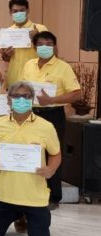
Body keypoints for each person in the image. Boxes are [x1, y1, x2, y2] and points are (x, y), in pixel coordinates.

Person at [0, 81, 61, 236]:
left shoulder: (46, 126)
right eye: (16, 96)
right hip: (4, 194)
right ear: (8, 99)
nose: (21, 100)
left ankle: (25, 214)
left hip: (34, 195)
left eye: (26, 96)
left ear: (32, 99)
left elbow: (56, 154)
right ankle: (18, 214)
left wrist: (51, 169)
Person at [21, 31, 81, 208]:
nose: (44, 47)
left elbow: (77, 94)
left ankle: (54, 196)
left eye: (49, 44)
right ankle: (31, 193)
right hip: (31, 113)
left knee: (53, 152)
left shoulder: (63, 67)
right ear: (34, 47)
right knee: (31, 150)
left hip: (53, 114)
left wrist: (52, 100)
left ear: (55, 47)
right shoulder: (29, 65)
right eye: (40, 44)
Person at [1, 0, 48, 87]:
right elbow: (4, 58)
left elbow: (53, 53)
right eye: (15, 11)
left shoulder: (40, 28)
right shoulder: (7, 32)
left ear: (28, 10)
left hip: (35, 78)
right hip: (14, 79)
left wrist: (37, 37)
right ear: (10, 12)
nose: (19, 13)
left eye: (22, 10)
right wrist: (6, 55)